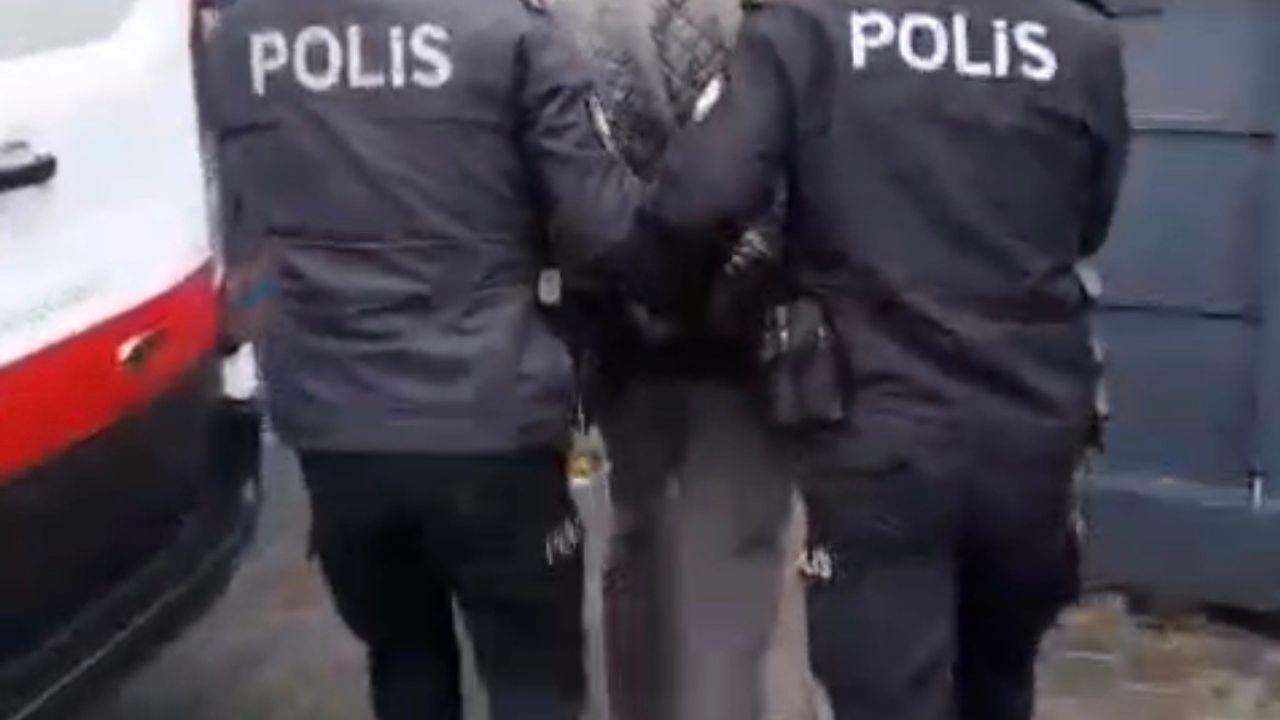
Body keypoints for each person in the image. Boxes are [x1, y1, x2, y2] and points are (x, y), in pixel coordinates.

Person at [634, 0, 1130, 718]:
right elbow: (1090, 220)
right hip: (1033, 423)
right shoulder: (1081, 38)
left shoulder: (808, 27)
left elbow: (697, 200)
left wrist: (672, 300)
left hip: (878, 423)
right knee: (998, 683)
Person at [200, 0, 642, 717]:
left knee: (403, 665)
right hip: (492, 416)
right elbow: (603, 231)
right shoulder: (508, 31)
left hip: (336, 430)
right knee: (535, 683)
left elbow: (245, 233)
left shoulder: (240, 38)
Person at [554, 2, 807, 719]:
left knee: (640, 540)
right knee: (727, 575)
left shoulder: (566, 25)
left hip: (622, 336)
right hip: (731, 341)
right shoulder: (756, 29)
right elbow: (772, 185)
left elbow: (569, 191)